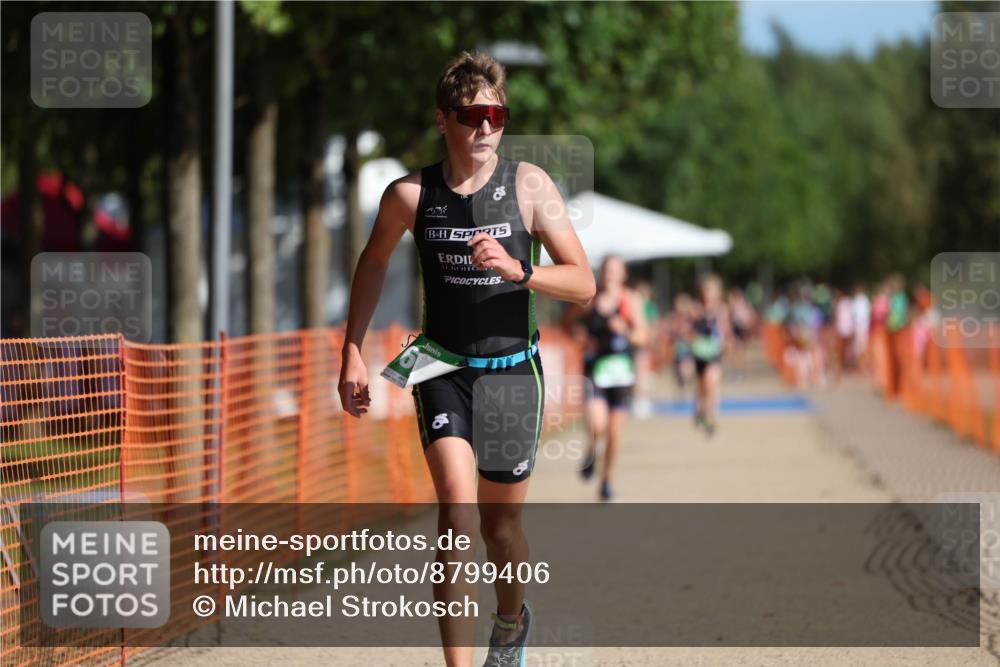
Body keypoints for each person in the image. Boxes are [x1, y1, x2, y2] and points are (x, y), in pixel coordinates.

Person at [337, 51, 595, 667]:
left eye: (497, 114)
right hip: (441, 367)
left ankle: (510, 622)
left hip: (512, 373)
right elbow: (371, 264)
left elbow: (583, 283)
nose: (485, 127)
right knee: (453, 516)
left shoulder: (529, 185)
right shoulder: (409, 194)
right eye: (471, 114)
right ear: (442, 120)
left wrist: (520, 269)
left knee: (498, 530)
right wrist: (351, 351)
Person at [565, 255, 648, 501]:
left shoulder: (630, 300)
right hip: (596, 370)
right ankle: (591, 450)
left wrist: (627, 332)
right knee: (597, 424)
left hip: (622, 374)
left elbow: (644, 336)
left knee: (614, 433)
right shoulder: (592, 299)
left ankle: (607, 480)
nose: (610, 274)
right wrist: (579, 335)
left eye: (615, 270)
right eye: (607, 270)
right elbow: (568, 322)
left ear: (624, 274)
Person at [690, 273, 728, 436]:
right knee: (702, 386)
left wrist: (726, 344)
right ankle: (700, 409)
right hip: (700, 353)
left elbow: (725, 331)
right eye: (706, 290)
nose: (708, 294)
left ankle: (712, 417)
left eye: (711, 290)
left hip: (714, 352)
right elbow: (688, 330)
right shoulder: (695, 309)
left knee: (711, 382)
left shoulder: (721, 309)